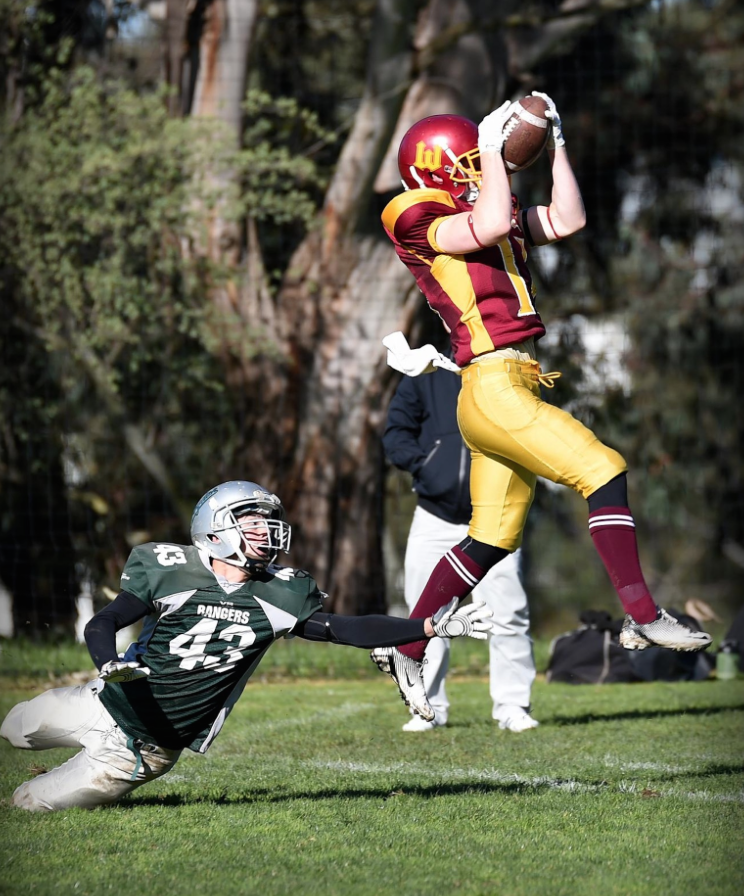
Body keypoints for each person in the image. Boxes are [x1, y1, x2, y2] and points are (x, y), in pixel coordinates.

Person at [371, 93, 712, 721]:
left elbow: (566, 219)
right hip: (492, 386)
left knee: (490, 540)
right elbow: (491, 224)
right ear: (438, 167)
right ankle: (641, 616)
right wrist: (495, 148)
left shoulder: (482, 205)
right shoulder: (413, 212)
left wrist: (555, 142)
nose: (481, 166)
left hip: (519, 383)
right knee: (603, 469)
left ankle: (408, 639)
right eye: (470, 159)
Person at [0, 480, 493, 812]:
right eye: (252, 521)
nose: (266, 531)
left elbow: (345, 628)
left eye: (267, 522)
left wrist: (427, 628)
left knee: (27, 802)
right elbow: (104, 622)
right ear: (214, 529)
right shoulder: (171, 567)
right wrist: (108, 663)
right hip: (102, 704)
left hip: (144, 751)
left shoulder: (282, 592)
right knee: (14, 728)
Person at [383, 361, 538, 733]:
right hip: (433, 516)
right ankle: (427, 707)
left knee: (508, 612)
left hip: (495, 516)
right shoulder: (424, 374)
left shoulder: (512, 370)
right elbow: (396, 433)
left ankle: (513, 707)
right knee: (423, 617)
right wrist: (427, 466)